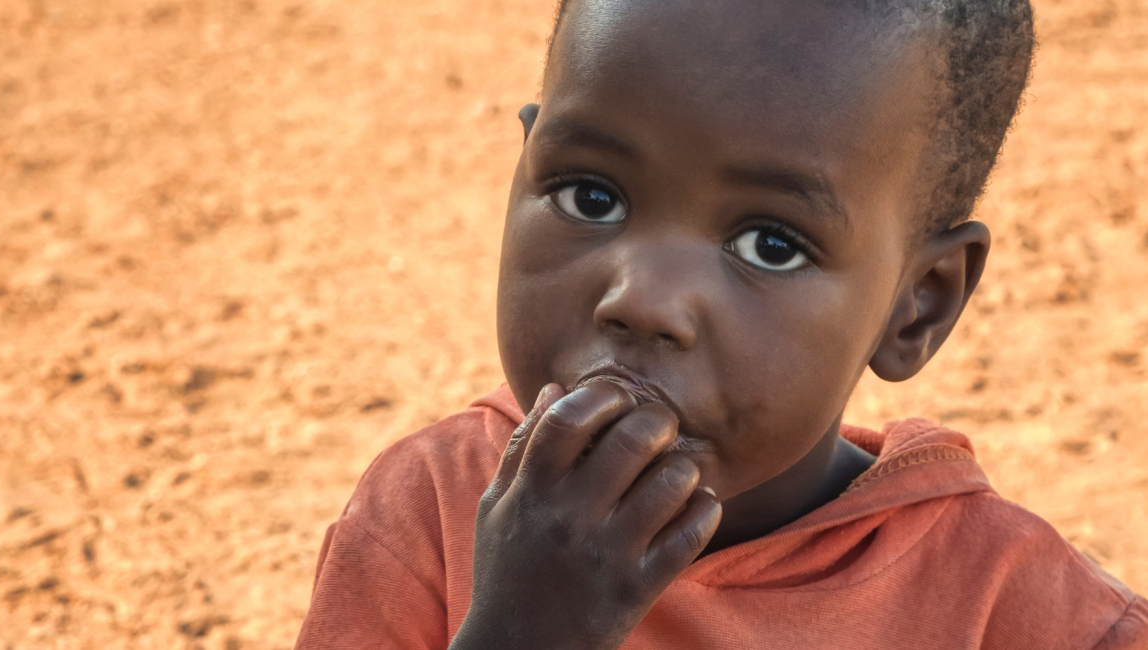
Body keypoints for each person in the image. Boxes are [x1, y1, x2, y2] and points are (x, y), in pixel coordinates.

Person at [296, 0, 1148, 647]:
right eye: (591, 196)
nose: (644, 300)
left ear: (916, 302)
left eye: (770, 245)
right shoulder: (429, 518)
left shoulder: (1004, 606)